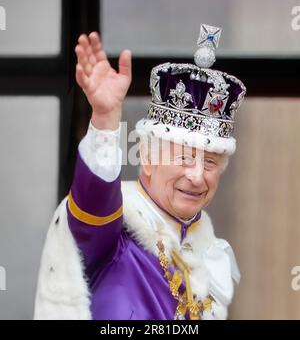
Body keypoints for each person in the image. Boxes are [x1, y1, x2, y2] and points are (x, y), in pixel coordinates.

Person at [34, 24, 246, 320]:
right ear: (147, 157)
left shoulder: (208, 249)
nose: (197, 176)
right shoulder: (116, 231)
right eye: (184, 157)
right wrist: (106, 120)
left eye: (210, 163)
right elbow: (92, 206)